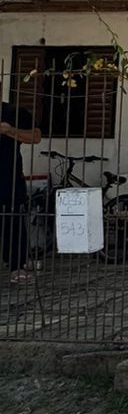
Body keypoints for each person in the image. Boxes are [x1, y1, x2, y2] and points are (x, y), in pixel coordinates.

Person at [0, 96, 43, 278]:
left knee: (13, 219)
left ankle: (17, 266)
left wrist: (9, 130)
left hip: (8, 177)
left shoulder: (13, 112)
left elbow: (36, 136)